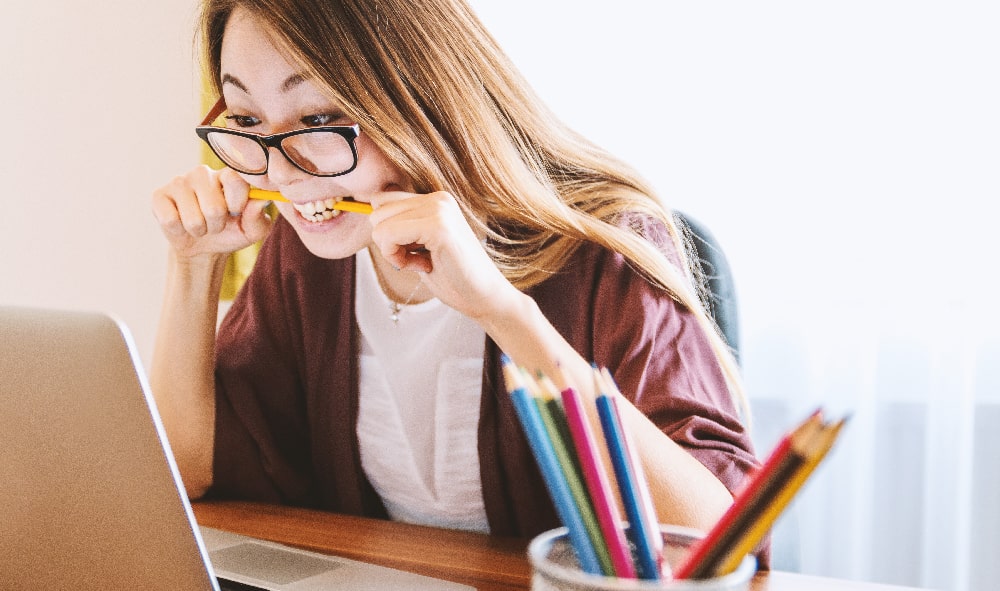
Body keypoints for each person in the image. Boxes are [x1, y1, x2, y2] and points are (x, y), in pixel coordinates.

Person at [151, 0, 763, 559]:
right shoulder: (306, 255)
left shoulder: (603, 247)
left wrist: (502, 311)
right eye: (249, 120)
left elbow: (714, 540)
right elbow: (185, 472)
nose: (284, 174)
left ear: (419, 96)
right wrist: (194, 265)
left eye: (318, 116)